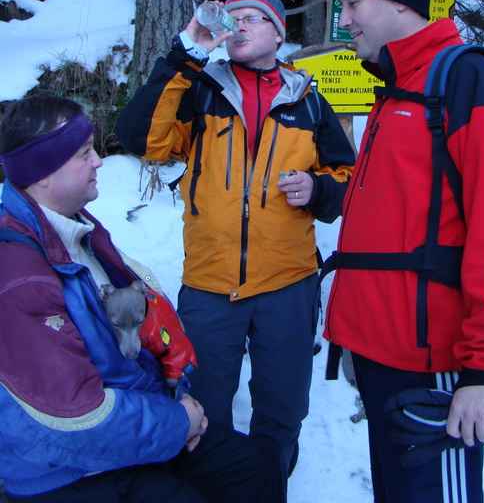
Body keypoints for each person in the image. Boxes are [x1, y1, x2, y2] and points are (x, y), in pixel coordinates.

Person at [323, 0, 484, 503]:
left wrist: (483, 372)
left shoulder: (464, 79)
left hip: (438, 367)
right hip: (383, 358)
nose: (344, 22)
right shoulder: (396, 88)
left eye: (352, 3)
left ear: (399, 2)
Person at [0, 95, 286, 503]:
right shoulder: (20, 276)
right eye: (84, 154)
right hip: (68, 467)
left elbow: (147, 330)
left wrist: (177, 400)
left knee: (254, 467)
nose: (99, 161)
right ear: (43, 172)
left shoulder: (79, 232)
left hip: (130, 425)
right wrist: (176, 423)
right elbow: (74, 416)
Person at [116, 0, 355, 474]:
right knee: (204, 409)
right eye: (234, 17)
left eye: (254, 17)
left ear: (278, 33)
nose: (241, 24)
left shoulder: (308, 100)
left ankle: (270, 483)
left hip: (288, 283)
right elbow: (140, 137)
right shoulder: (200, 88)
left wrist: (318, 188)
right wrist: (187, 53)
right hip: (209, 283)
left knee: (283, 411)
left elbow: (348, 178)